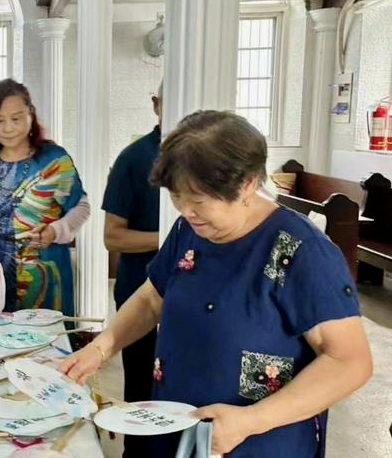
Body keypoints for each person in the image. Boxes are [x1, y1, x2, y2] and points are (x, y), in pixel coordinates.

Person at [61, 110, 372, 457]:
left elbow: (349, 362)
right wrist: (100, 348)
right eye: (177, 198)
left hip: (255, 442)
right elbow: (152, 299)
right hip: (176, 427)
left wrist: (250, 420)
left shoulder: (301, 251)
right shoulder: (189, 232)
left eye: (197, 201)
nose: (186, 211)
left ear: (248, 184)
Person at [0, 79, 89, 315]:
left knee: (45, 347)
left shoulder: (53, 160)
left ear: (31, 115)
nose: (8, 128)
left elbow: (81, 206)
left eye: (16, 118)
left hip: (45, 273)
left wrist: (57, 230)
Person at [102, 83, 161, 457]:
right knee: (141, 388)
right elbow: (113, 237)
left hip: (196, 303)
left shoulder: (211, 161)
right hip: (141, 291)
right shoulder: (135, 159)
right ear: (156, 105)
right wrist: (170, 239)